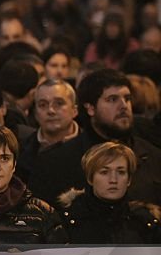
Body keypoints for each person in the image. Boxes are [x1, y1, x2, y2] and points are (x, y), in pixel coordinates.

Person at [32, 69, 161, 205]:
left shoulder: (154, 157)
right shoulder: (56, 163)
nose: (123, 106)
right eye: (112, 99)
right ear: (90, 108)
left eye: (127, 99)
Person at [58, 142, 161, 244]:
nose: (113, 180)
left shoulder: (145, 221)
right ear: (90, 178)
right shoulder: (67, 220)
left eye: (121, 172)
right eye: (104, 172)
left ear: (129, 179)